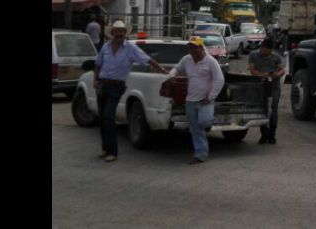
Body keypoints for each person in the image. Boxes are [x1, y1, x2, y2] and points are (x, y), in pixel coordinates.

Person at [93, 20, 163, 162]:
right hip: (102, 85)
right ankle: (105, 149)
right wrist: (95, 79)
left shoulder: (131, 48)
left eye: (122, 31)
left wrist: (161, 69)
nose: (119, 34)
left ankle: (112, 152)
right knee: (102, 119)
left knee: (108, 117)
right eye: (116, 31)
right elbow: (98, 64)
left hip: (116, 86)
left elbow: (147, 60)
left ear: (125, 34)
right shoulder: (105, 47)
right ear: (112, 33)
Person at [163, 36, 225, 164]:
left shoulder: (211, 61)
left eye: (195, 47)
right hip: (190, 100)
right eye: (190, 47)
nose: (192, 50)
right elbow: (176, 68)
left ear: (201, 48)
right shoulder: (186, 59)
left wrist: (211, 97)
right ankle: (200, 154)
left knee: (204, 121)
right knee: (195, 129)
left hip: (205, 100)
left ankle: (206, 127)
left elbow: (219, 80)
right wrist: (171, 76)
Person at [248, 38, 286, 144]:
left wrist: (276, 75)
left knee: (273, 111)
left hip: (274, 88)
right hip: (261, 87)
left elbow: (282, 70)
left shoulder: (276, 57)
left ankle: (272, 135)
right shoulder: (253, 55)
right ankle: (264, 134)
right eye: (265, 51)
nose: (266, 53)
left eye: (269, 52)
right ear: (262, 47)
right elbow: (252, 70)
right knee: (263, 110)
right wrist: (264, 75)